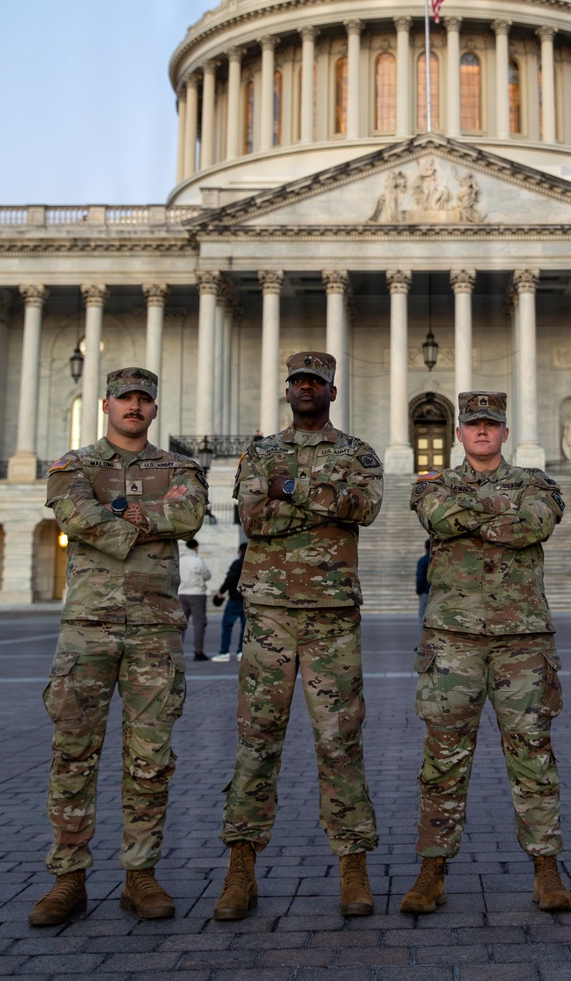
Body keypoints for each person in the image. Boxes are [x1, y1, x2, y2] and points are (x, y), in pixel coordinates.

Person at [28, 367, 207, 927]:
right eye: (125, 398)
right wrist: (148, 522)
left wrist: (114, 512)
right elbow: (75, 516)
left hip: (155, 629)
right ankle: (68, 879)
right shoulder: (73, 465)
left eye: (143, 400)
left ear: (154, 408)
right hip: (88, 628)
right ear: (105, 404)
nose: (134, 406)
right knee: (73, 754)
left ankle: (140, 874)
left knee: (151, 759)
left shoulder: (180, 467)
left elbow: (190, 513)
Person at [214, 352, 383, 922]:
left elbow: (365, 508)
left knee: (340, 740)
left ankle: (352, 862)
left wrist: (290, 490)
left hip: (332, 615)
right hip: (268, 613)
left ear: (332, 392)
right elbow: (254, 519)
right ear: (288, 391)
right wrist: (322, 502)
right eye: (299, 382)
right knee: (257, 740)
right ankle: (241, 865)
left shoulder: (357, 452)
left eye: (317, 383)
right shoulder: (260, 452)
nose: (307, 389)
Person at [400, 391, 571, 916]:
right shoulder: (433, 486)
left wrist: (472, 515)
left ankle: (547, 870)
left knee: (533, 758)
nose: (481, 431)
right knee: (443, 761)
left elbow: (536, 524)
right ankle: (432, 871)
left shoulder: (538, 484)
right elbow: (441, 519)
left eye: (490, 424)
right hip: (452, 641)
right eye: (472, 423)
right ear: (458, 433)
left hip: (523, 641)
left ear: (503, 432)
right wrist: (503, 518)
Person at [211, 542, 248, 661]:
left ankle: (224, 652)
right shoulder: (252, 565)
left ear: (240, 552)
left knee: (227, 625)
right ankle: (241, 652)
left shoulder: (237, 563)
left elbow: (230, 579)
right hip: (248, 600)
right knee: (245, 627)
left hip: (235, 599)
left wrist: (221, 592)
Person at [179, 539, 212, 659]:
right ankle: (198, 651)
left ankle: (178, 651)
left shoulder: (179, 560)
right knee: (199, 624)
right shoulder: (197, 561)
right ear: (196, 548)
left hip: (181, 593)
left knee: (181, 624)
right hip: (196, 593)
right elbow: (207, 575)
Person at [415, 538, 431, 620]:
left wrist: (419, 590)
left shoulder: (423, 560)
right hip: (437, 592)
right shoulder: (439, 560)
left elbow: (420, 577)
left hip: (425, 591)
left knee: (423, 616)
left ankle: (424, 632)